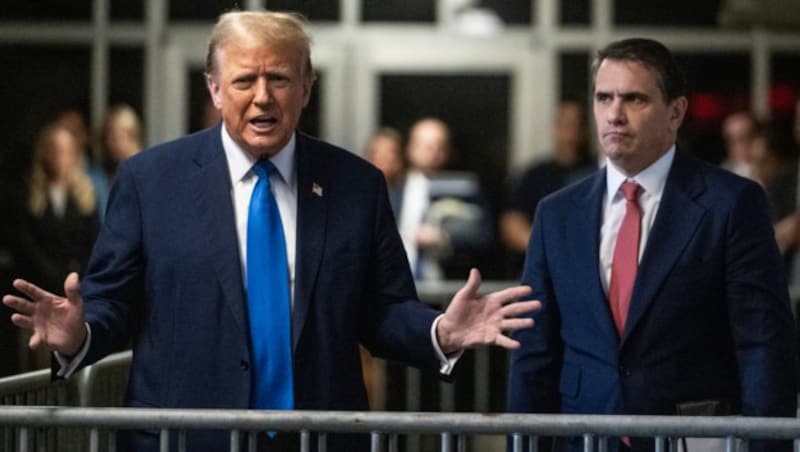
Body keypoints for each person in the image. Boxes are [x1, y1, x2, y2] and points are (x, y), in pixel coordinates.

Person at [3, 11, 540, 452]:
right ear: (215, 89)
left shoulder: (356, 184)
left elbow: (382, 310)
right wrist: (80, 334)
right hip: (182, 441)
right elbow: (113, 304)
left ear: (306, 87)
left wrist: (439, 332)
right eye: (244, 80)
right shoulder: (149, 180)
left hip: (319, 439)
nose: (263, 97)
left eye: (279, 79)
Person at [506, 38, 797, 452]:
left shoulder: (730, 203)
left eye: (634, 99)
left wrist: (769, 445)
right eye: (603, 97)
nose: (614, 114)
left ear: (675, 112)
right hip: (585, 437)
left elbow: (763, 342)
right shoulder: (557, 213)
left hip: (692, 436)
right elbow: (534, 352)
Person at [13, 122, 100, 369]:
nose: (59, 157)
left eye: (65, 151)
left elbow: (92, 240)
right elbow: (25, 243)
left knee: (74, 361)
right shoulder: (29, 194)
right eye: (53, 150)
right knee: (38, 363)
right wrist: (52, 274)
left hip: (75, 291)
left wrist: (74, 275)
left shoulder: (85, 195)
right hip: (39, 288)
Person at [500, 100, 595, 271]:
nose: (570, 130)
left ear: (586, 129)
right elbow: (511, 224)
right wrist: (548, 251)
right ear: (555, 127)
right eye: (565, 123)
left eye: (576, 124)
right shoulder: (534, 175)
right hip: (541, 270)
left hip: (589, 266)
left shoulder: (599, 173)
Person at [397, 117, 493, 280]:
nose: (434, 152)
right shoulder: (392, 190)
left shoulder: (466, 189)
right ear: (410, 149)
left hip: (447, 287)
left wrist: (444, 238)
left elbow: (484, 237)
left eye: (440, 146)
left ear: (449, 151)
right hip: (398, 287)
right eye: (426, 146)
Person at [94, 103, 144, 221]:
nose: (115, 142)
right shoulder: (93, 178)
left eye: (122, 135)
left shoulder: (145, 177)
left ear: (134, 138)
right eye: (111, 135)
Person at [363, 126, 406, 218]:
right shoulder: (353, 195)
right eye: (377, 153)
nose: (384, 158)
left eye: (390, 152)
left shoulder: (412, 195)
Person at [720, 110, 758, 179]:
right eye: (730, 140)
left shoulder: (771, 173)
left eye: (742, 138)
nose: (735, 145)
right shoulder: (722, 175)